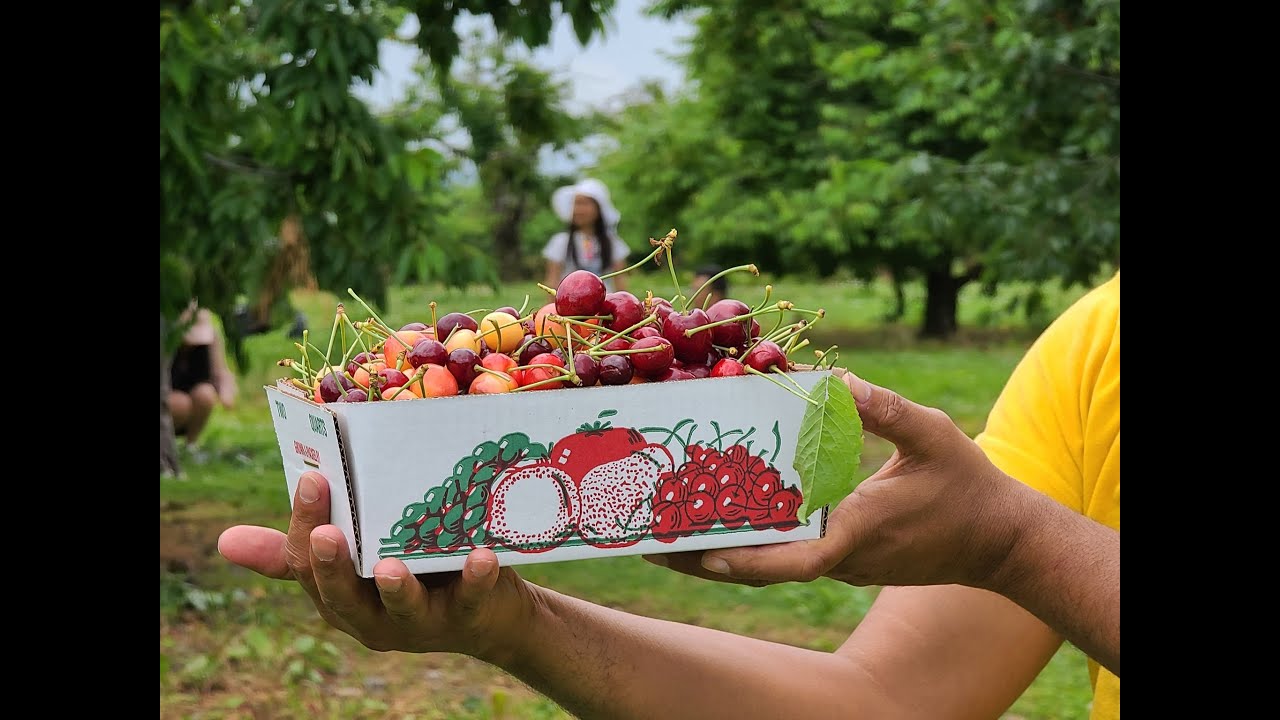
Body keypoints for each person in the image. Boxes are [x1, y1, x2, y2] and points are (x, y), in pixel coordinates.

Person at [218, 271, 1119, 719]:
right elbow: (883, 702)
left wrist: (1015, 544)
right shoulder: (1098, 347)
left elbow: (1015, 543)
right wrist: (513, 625)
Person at [168, 301, 238, 450]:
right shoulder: (166, 343)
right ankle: (167, 444)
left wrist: (226, 395)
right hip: (171, 400)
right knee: (180, 404)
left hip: (190, 399)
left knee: (205, 394)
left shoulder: (210, 341)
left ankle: (191, 445)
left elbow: (221, 372)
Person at [542, 178, 631, 292]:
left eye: (585, 204)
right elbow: (552, 281)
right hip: (570, 304)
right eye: (576, 204)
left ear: (598, 209)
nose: (579, 209)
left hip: (604, 305)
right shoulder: (560, 242)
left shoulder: (612, 243)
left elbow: (620, 280)